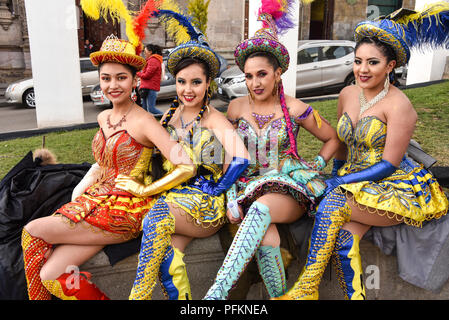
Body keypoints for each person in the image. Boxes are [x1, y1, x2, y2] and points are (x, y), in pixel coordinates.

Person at [21, 2, 197, 300]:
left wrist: (146, 190)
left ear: (134, 80)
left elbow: (187, 166)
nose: (113, 85)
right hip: (94, 204)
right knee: (52, 275)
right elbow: (102, 161)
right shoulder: (103, 117)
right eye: (106, 78)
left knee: (32, 231)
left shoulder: (145, 122)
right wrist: (81, 187)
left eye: (121, 78)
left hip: (123, 213)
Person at [275, 4, 449, 300]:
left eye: (373, 63)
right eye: (358, 61)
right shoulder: (346, 94)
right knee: (343, 237)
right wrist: (332, 173)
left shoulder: (400, 106)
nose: (362, 69)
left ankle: (306, 289)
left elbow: (388, 165)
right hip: (353, 179)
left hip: (392, 184)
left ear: (390, 66)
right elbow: (341, 144)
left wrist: (335, 184)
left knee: (331, 205)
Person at [203, 0, 340, 300]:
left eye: (262, 74)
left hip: (285, 189)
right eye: (249, 76)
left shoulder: (296, 108)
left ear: (278, 73)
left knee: (261, 210)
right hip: (244, 186)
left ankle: (215, 296)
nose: (254, 83)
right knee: (266, 239)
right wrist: (227, 194)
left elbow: (333, 138)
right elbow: (226, 152)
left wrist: (315, 164)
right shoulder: (236, 107)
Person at [115, 9, 250, 300]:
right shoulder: (168, 117)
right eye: (181, 82)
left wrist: (217, 187)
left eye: (196, 83)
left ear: (208, 84)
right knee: (167, 261)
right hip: (174, 199)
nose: (188, 90)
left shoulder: (214, 119)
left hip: (205, 203)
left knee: (154, 218)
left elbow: (241, 158)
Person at [137, 44, 164, 115]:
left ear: (150, 52)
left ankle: (166, 117)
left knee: (151, 109)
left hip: (150, 87)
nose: (144, 53)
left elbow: (147, 75)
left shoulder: (153, 60)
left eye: (145, 51)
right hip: (148, 87)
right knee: (144, 109)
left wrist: (137, 73)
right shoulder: (151, 60)